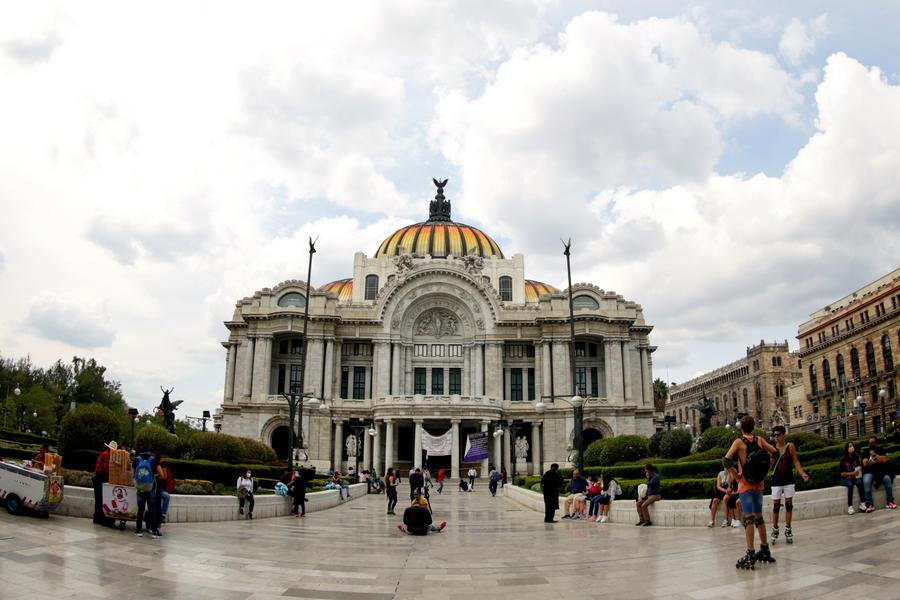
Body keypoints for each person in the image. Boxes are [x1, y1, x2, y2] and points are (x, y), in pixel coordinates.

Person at [725, 415, 777, 569]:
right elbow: (775, 453)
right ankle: (765, 548)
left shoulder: (739, 442)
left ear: (741, 427)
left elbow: (726, 460)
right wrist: (767, 470)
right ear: (753, 426)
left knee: (748, 519)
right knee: (759, 517)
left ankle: (751, 553)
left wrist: (736, 475)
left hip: (745, 485)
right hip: (758, 484)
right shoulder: (759, 440)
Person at [769, 426, 810, 544]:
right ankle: (775, 528)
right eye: (774, 435)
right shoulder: (772, 449)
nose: (776, 437)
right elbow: (770, 465)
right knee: (776, 506)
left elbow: (796, 461)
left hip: (788, 480)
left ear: (783, 435)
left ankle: (788, 528)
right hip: (776, 480)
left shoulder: (790, 447)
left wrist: (802, 473)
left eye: (778, 435)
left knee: (789, 505)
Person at [861, 435, 896, 511]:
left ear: (876, 443)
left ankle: (890, 502)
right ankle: (869, 504)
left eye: (873, 442)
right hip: (869, 472)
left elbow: (884, 460)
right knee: (866, 482)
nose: (871, 444)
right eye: (869, 443)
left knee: (887, 479)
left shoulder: (881, 449)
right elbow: (865, 464)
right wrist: (876, 461)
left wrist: (875, 455)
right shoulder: (866, 451)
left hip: (881, 472)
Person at [134, 448, 162, 538]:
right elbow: (162, 475)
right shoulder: (154, 460)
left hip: (139, 489)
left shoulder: (136, 459)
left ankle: (138, 530)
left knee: (140, 510)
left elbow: (133, 474)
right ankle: (154, 531)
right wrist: (154, 476)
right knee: (151, 510)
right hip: (151, 489)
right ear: (150, 451)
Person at [838, 442, 866, 514]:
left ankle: (862, 504)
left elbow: (858, 466)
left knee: (860, 483)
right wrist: (852, 473)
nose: (852, 447)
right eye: (850, 446)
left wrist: (860, 469)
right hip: (844, 478)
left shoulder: (856, 457)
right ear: (847, 448)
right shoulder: (843, 459)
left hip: (854, 477)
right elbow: (842, 474)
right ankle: (850, 507)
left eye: (852, 446)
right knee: (850, 485)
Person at [92, 441, 115, 527]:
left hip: (98, 478)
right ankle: (100, 518)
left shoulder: (104, 453)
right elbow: (106, 468)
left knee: (98, 499)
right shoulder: (107, 455)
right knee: (101, 499)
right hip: (100, 479)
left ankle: (97, 518)